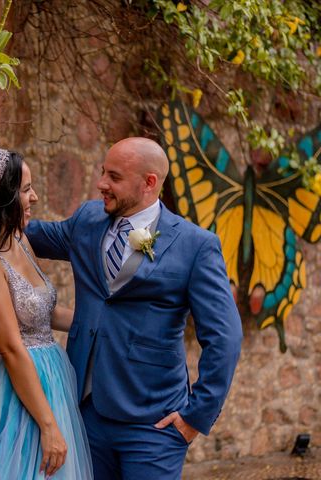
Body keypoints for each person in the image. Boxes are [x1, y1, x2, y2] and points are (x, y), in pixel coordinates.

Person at [25, 137, 243, 479]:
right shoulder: (87, 220)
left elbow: (225, 338)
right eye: (102, 173)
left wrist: (195, 417)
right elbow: (33, 236)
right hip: (86, 413)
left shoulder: (196, 246)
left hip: (153, 425)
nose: (102, 184)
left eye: (114, 177)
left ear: (149, 183)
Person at [0, 148, 94, 479]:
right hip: (17, 391)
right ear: (0, 197)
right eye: (25, 190)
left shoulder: (20, 240)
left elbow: (42, 312)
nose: (34, 197)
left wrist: (101, 324)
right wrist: (48, 425)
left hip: (53, 380)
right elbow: (10, 347)